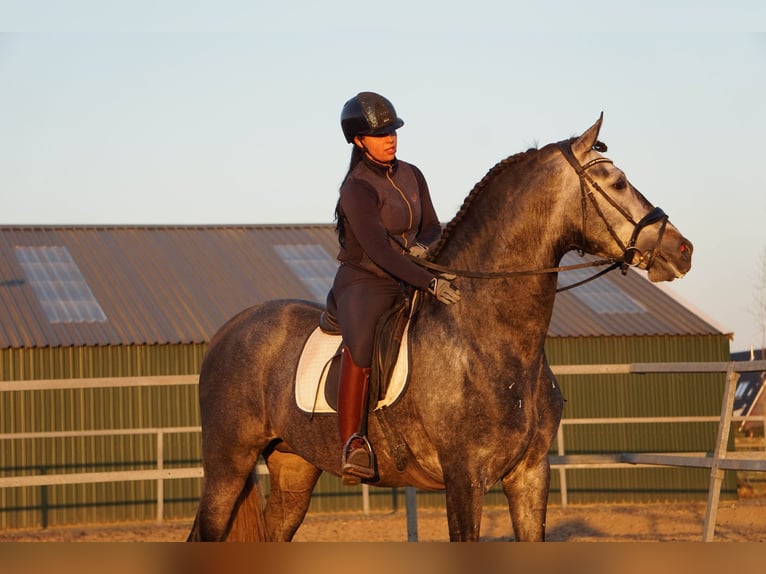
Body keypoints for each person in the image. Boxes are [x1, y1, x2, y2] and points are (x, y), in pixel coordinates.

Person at [324, 91, 462, 485]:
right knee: (363, 340)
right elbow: (379, 250)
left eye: (393, 130)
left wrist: (424, 248)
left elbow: (434, 225)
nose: (391, 138)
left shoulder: (412, 174)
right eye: (381, 133)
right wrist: (429, 280)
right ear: (357, 141)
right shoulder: (356, 188)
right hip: (366, 280)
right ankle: (353, 441)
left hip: (412, 272)